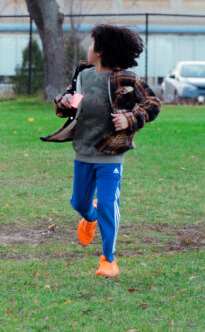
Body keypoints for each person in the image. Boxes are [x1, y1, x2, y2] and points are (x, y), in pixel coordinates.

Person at [43, 24, 160, 278]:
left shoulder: (126, 79)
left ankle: (108, 259)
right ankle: (89, 218)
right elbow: (71, 103)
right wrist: (63, 102)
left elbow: (152, 103)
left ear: (102, 50)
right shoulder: (83, 76)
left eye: (92, 43)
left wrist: (130, 118)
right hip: (83, 152)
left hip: (111, 153)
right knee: (80, 203)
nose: (88, 48)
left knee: (108, 203)